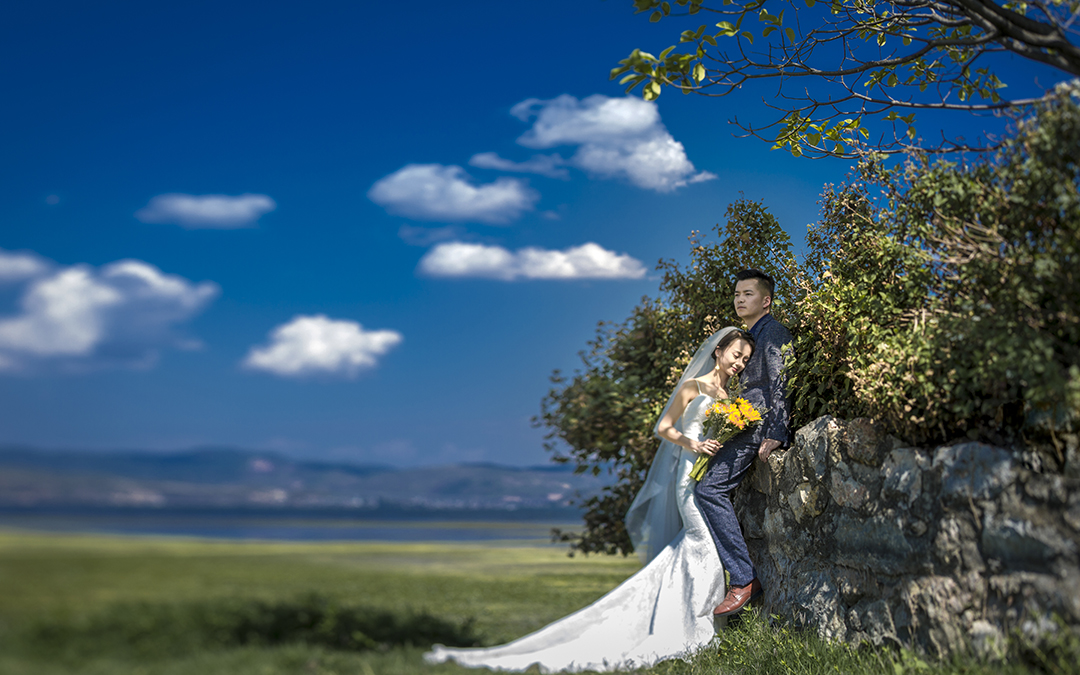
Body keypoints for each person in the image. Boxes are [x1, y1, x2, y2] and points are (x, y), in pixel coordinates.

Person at [425, 327, 756, 672]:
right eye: (736, 355)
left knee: (699, 545)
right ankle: (695, 625)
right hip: (688, 474)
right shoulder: (693, 386)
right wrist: (694, 444)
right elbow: (664, 428)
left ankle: (688, 615)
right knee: (701, 540)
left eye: (746, 360)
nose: (740, 363)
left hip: (709, 472)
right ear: (719, 351)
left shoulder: (729, 395)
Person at [696, 269, 793, 620]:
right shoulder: (751, 335)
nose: (740, 299)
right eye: (737, 294)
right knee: (705, 487)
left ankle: (743, 578)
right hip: (743, 420)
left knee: (710, 489)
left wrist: (776, 431)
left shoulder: (774, 332)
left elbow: (781, 382)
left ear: (766, 301)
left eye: (748, 294)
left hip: (758, 425)